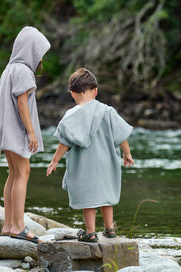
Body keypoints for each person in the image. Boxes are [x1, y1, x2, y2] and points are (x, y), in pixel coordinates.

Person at [46, 68, 134, 242]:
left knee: (88, 199)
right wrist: (127, 153)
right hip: (107, 162)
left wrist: (54, 161)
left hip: (83, 165)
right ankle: (110, 229)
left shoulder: (71, 116)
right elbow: (121, 135)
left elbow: (64, 143)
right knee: (106, 196)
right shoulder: (107, 111)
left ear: (72, 93)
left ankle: (90, 232)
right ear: (95, 91)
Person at [0, 26, 50, 244]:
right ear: (31, 50)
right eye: (39, 52)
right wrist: (31, 132)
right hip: (17, 130)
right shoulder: (23, 70)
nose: (40, 57)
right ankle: (19, 227)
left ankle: (8, 225)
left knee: (13, 174)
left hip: (6, 129)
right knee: (22, 173)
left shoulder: (8, 70)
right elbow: (21, 102)